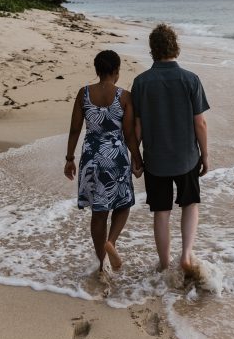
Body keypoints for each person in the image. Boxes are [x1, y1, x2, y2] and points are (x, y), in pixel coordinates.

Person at [131, 24, 210, 277]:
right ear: (175, 46)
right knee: (190, 205)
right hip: (186, 157)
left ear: (153, 49)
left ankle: (165, 265)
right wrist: (205, 155)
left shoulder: (141, 82)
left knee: (161, 212)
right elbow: (200, 122)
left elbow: (138, 126)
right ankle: (186, 255)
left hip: (156, 159)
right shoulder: (190, 79)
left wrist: (136, 157)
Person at [64, 50, 141, 274]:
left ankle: (101, 263)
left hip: (91, 157)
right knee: (123, 204)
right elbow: (129, 135)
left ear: (97, 70)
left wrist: (70, 158)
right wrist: (138, 160)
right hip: (116, 157)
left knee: (98, 213)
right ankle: (112, 241)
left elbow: (75, 129)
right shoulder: (124, 96)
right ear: (117, 71)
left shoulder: (84, 93)